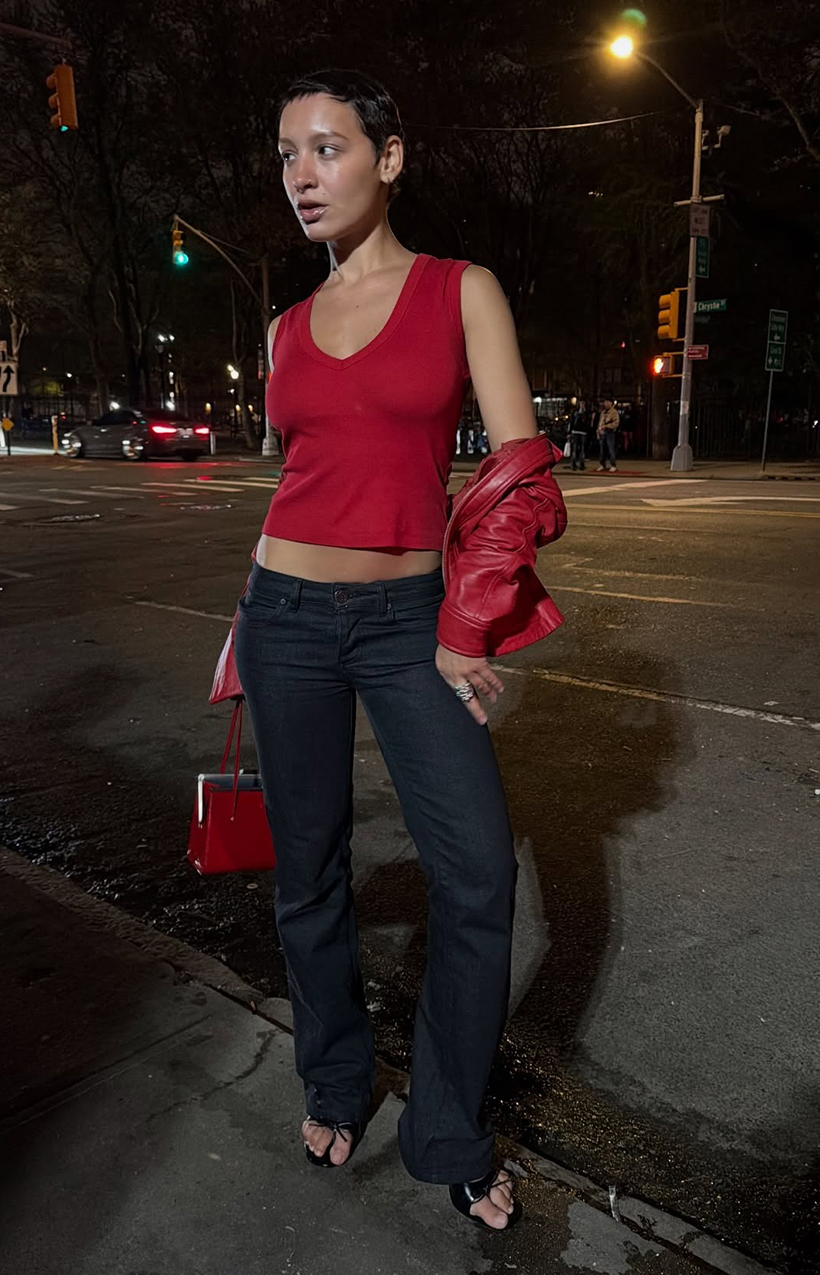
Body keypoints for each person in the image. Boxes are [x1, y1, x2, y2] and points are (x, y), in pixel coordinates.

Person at [230, 70, 566, 1233]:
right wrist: (247, 623)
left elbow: (516, 472)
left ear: (391, 158)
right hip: (282, 620)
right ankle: (333, 1076)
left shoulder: (457, 290)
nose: (303, 176)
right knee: (308, 871)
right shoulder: (280, 327)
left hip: (406, 625)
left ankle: (448, 1129)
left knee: (478, 874)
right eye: (286, 155)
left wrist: (466, 625)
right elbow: (301, 481)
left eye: (327, 148)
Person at [597, 397, 619, 471]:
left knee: (611, 449)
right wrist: (598, 431)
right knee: (602, 450)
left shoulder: (614, 412)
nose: (606, 404)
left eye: (608, 402)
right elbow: (600, 423)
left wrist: (606, 426)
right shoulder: (603, 412)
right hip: (602, 432)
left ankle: (613, 465)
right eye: (605, 402)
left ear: (611, 403)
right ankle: (602, 464)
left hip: (610, 432)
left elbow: (616, 423)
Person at [568, 399, 589, 471]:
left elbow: (588, 422)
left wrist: (585, 413)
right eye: (581, 403)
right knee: (574, 448)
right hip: (575, 431)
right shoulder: (575, 412)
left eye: (583, 404)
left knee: (582, 448)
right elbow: (571, 422)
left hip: (583, 432)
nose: (582, 405)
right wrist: (569, 432)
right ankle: (573, 464)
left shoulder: (587, 412)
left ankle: (581, 464)